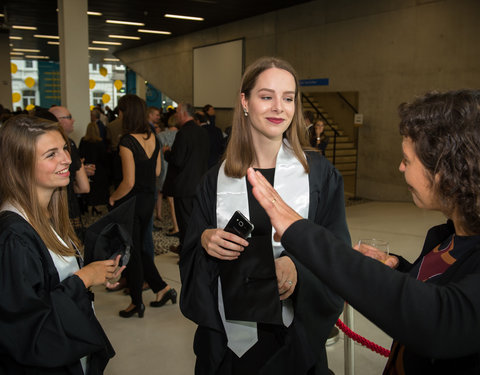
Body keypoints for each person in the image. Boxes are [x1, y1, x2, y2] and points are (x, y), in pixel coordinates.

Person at [247, 89, 480, 374]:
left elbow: (441, 320)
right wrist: (398, 269)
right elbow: (441, 285)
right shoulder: (449, 237)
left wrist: (299, 230)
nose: (400, 167)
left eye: (407, 160)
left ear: (447, 172)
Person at [179, 57, 350, 374]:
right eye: (266, 96)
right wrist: (204, 239)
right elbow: (190, 252)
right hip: (231, 343)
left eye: (288, 98)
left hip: (295, 336)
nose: (279, 108)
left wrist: (297, 265)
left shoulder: (320, 176)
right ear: (244, 101)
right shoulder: (215, 180)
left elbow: (337, 250)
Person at [0, 115, 124, 374]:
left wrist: (97, 273)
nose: (67, 159)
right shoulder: (15, 238)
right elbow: (27, 328)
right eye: (51, 154)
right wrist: (84, 279)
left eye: (65, 148)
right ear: (20, 164)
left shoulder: (48, 215)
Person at [109, 94, 176, 318]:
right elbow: (157, 172)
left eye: (120, 110)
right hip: (148, 200)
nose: (118, 114)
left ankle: (137, 302)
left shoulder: (127, 141)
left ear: (126, 113)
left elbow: (128, 182)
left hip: (131, 202)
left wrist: (112, 199)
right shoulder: (152, 137)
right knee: (138, 249)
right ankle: (162, 288)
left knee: (134, 252)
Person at [163, 103, 210, 255]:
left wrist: (166, 153)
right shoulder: (202, 132)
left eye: (177, 112)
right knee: (195, 220)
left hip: (183, 185)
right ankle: (193, 248)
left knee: (185, 222)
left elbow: (177, 160)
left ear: (183, 114)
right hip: (199, 182)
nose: (176, 115)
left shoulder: (183, 133)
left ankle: (186, 251)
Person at [49, 106, 92, 241]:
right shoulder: (69, 143)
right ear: (57, 121)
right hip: (64, 207)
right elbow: (84, 187)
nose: (73, 120)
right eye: (68, 117)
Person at [79, 121, 109, 214]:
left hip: (86, 167)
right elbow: (104, 157)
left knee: (88, 188)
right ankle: (95, 206)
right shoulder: (100, 142)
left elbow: (80, 154)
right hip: (98, 169)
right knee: (96, 190)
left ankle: (87, 206)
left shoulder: (83, 140)